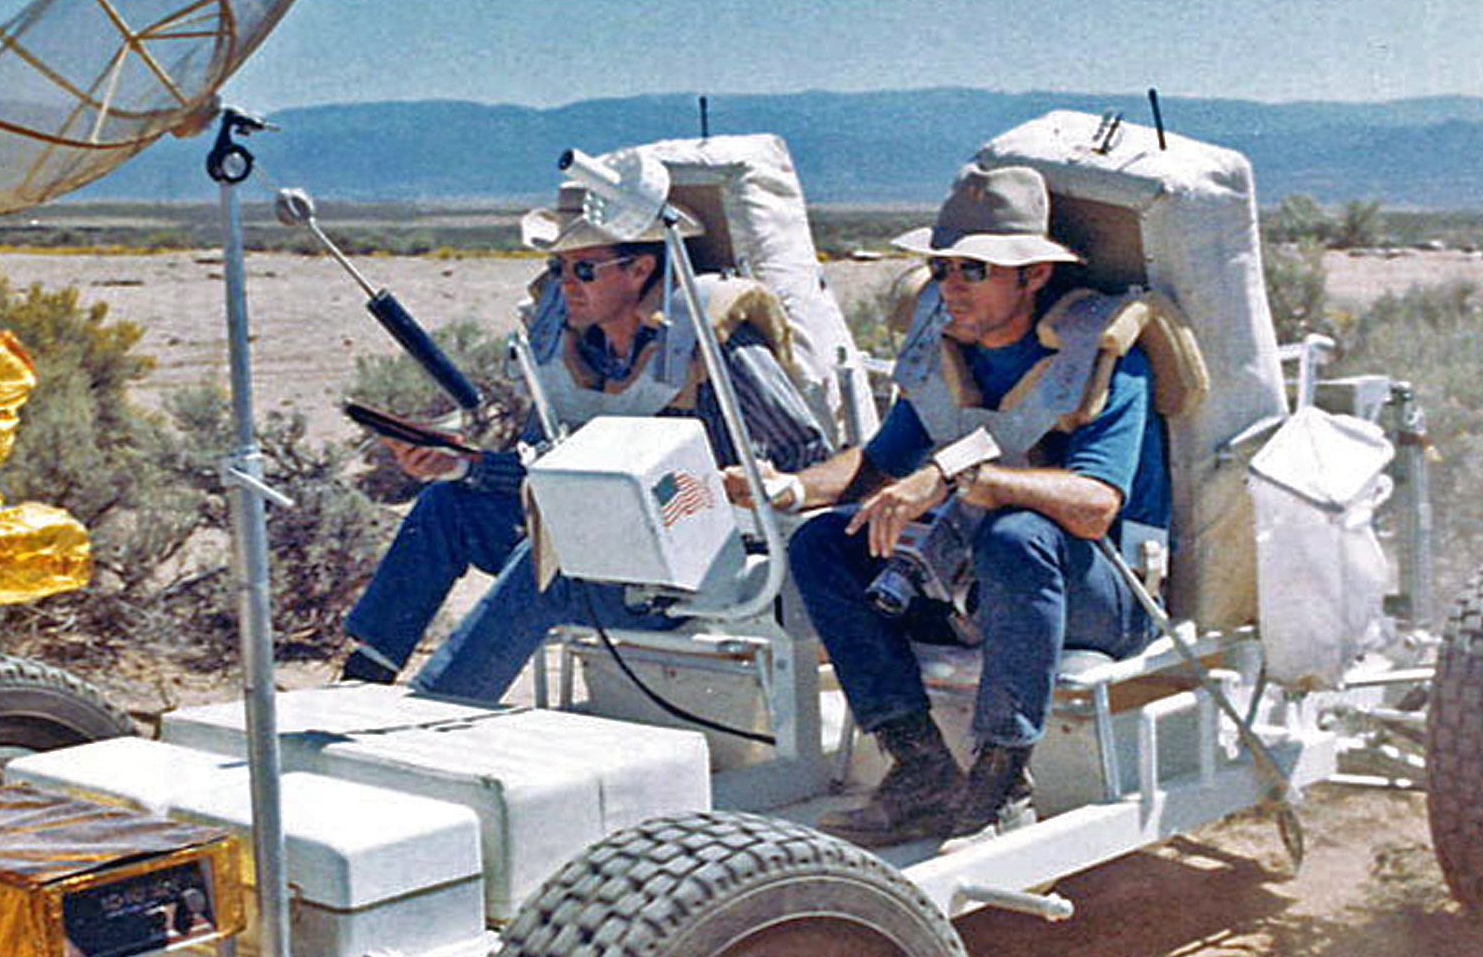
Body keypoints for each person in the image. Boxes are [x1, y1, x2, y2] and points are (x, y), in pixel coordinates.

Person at [728, 163, 1170, 846]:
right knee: (820, 545)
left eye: (975, 269)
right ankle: (921, 766)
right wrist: (786, 487)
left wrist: (961, 477)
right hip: (981, 580)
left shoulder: (1103, 359)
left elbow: (1094, 507)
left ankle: (999, 776)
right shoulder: (947, 356)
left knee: (1016, 535)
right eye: (943, 269)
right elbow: (875, 466)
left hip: (1108, 594)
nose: (951, 286)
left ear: (1034, 275)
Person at [342, 175, 831, 703]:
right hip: (599, 547)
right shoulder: (569, 353)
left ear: (641, 269)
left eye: (583, 269)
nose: (566, 284)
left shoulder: (718, 349)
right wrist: (460, 466)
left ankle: (439, 704)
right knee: (447, 506)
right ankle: (364, 678)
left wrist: (760, 487)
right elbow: (544, 471)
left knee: (557, 559)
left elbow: (808, 456)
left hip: (700, 566)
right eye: (558, 269)